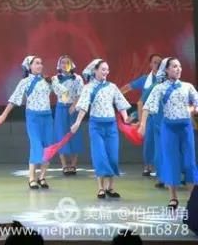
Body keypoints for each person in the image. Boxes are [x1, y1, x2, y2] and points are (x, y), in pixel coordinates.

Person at [139, 57, 198, 209]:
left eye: (179, 66)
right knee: (171, 161)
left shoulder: (187, 87)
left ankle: (193, 198)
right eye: (174, 66)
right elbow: (147, 106)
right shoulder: (159, 88)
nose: (178, 69)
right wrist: (142, 125)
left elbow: (196, 102)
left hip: (185, 128)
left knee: (189, 162)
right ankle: (173, 197)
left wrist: (194, 109)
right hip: (169, 129)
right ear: (166, 69)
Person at [0, 56, 62, 189]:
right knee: (36, 145)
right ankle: (31, 177)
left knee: (48, 147)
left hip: (47, 117)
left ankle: (42, 177)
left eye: (41, 63)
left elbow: (64, 93)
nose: (40, 65)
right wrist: (3, 115)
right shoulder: (25, 82)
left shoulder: (48, 80)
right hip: (33, 117)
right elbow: (14, 99)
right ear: (29, 66)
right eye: (36, 63)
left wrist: (58, 85)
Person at [70, 59, 131, 199]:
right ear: (95, 70)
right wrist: (77, 122)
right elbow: (83, 106)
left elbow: (120, 104)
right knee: (100, 156)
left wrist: (126, 118)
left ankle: (110, 188)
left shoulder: (112, 87)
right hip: (96, 126)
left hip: (111, 126)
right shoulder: (88, 88)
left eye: (107, 69)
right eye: (103, 69)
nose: (106, 72)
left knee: (112, 156)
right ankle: (101, 188)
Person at [121, 54, 162, 177]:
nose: (157, 65)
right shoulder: (145, 79)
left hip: (162, 114)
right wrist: (114, 96)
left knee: (162, 142)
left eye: (160, 62)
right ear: (150, 64)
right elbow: (128, 87)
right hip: (147, 115)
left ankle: (162, 168)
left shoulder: (165, 79)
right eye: (155, 62)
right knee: (149, 142)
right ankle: (148, 166)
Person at [51, 55, 85, 175]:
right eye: (62, 63)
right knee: (61, 135)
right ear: (59, 65)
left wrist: (74, 105)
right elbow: (59, 92)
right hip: (61, 109)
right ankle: (64, 165)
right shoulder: (55, 79)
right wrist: (66, 102)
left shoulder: (78, 78)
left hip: (74, 109)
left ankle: (73, 165)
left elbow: (80, 94)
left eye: (67, 62)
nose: (65, 65)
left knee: (74, 135)